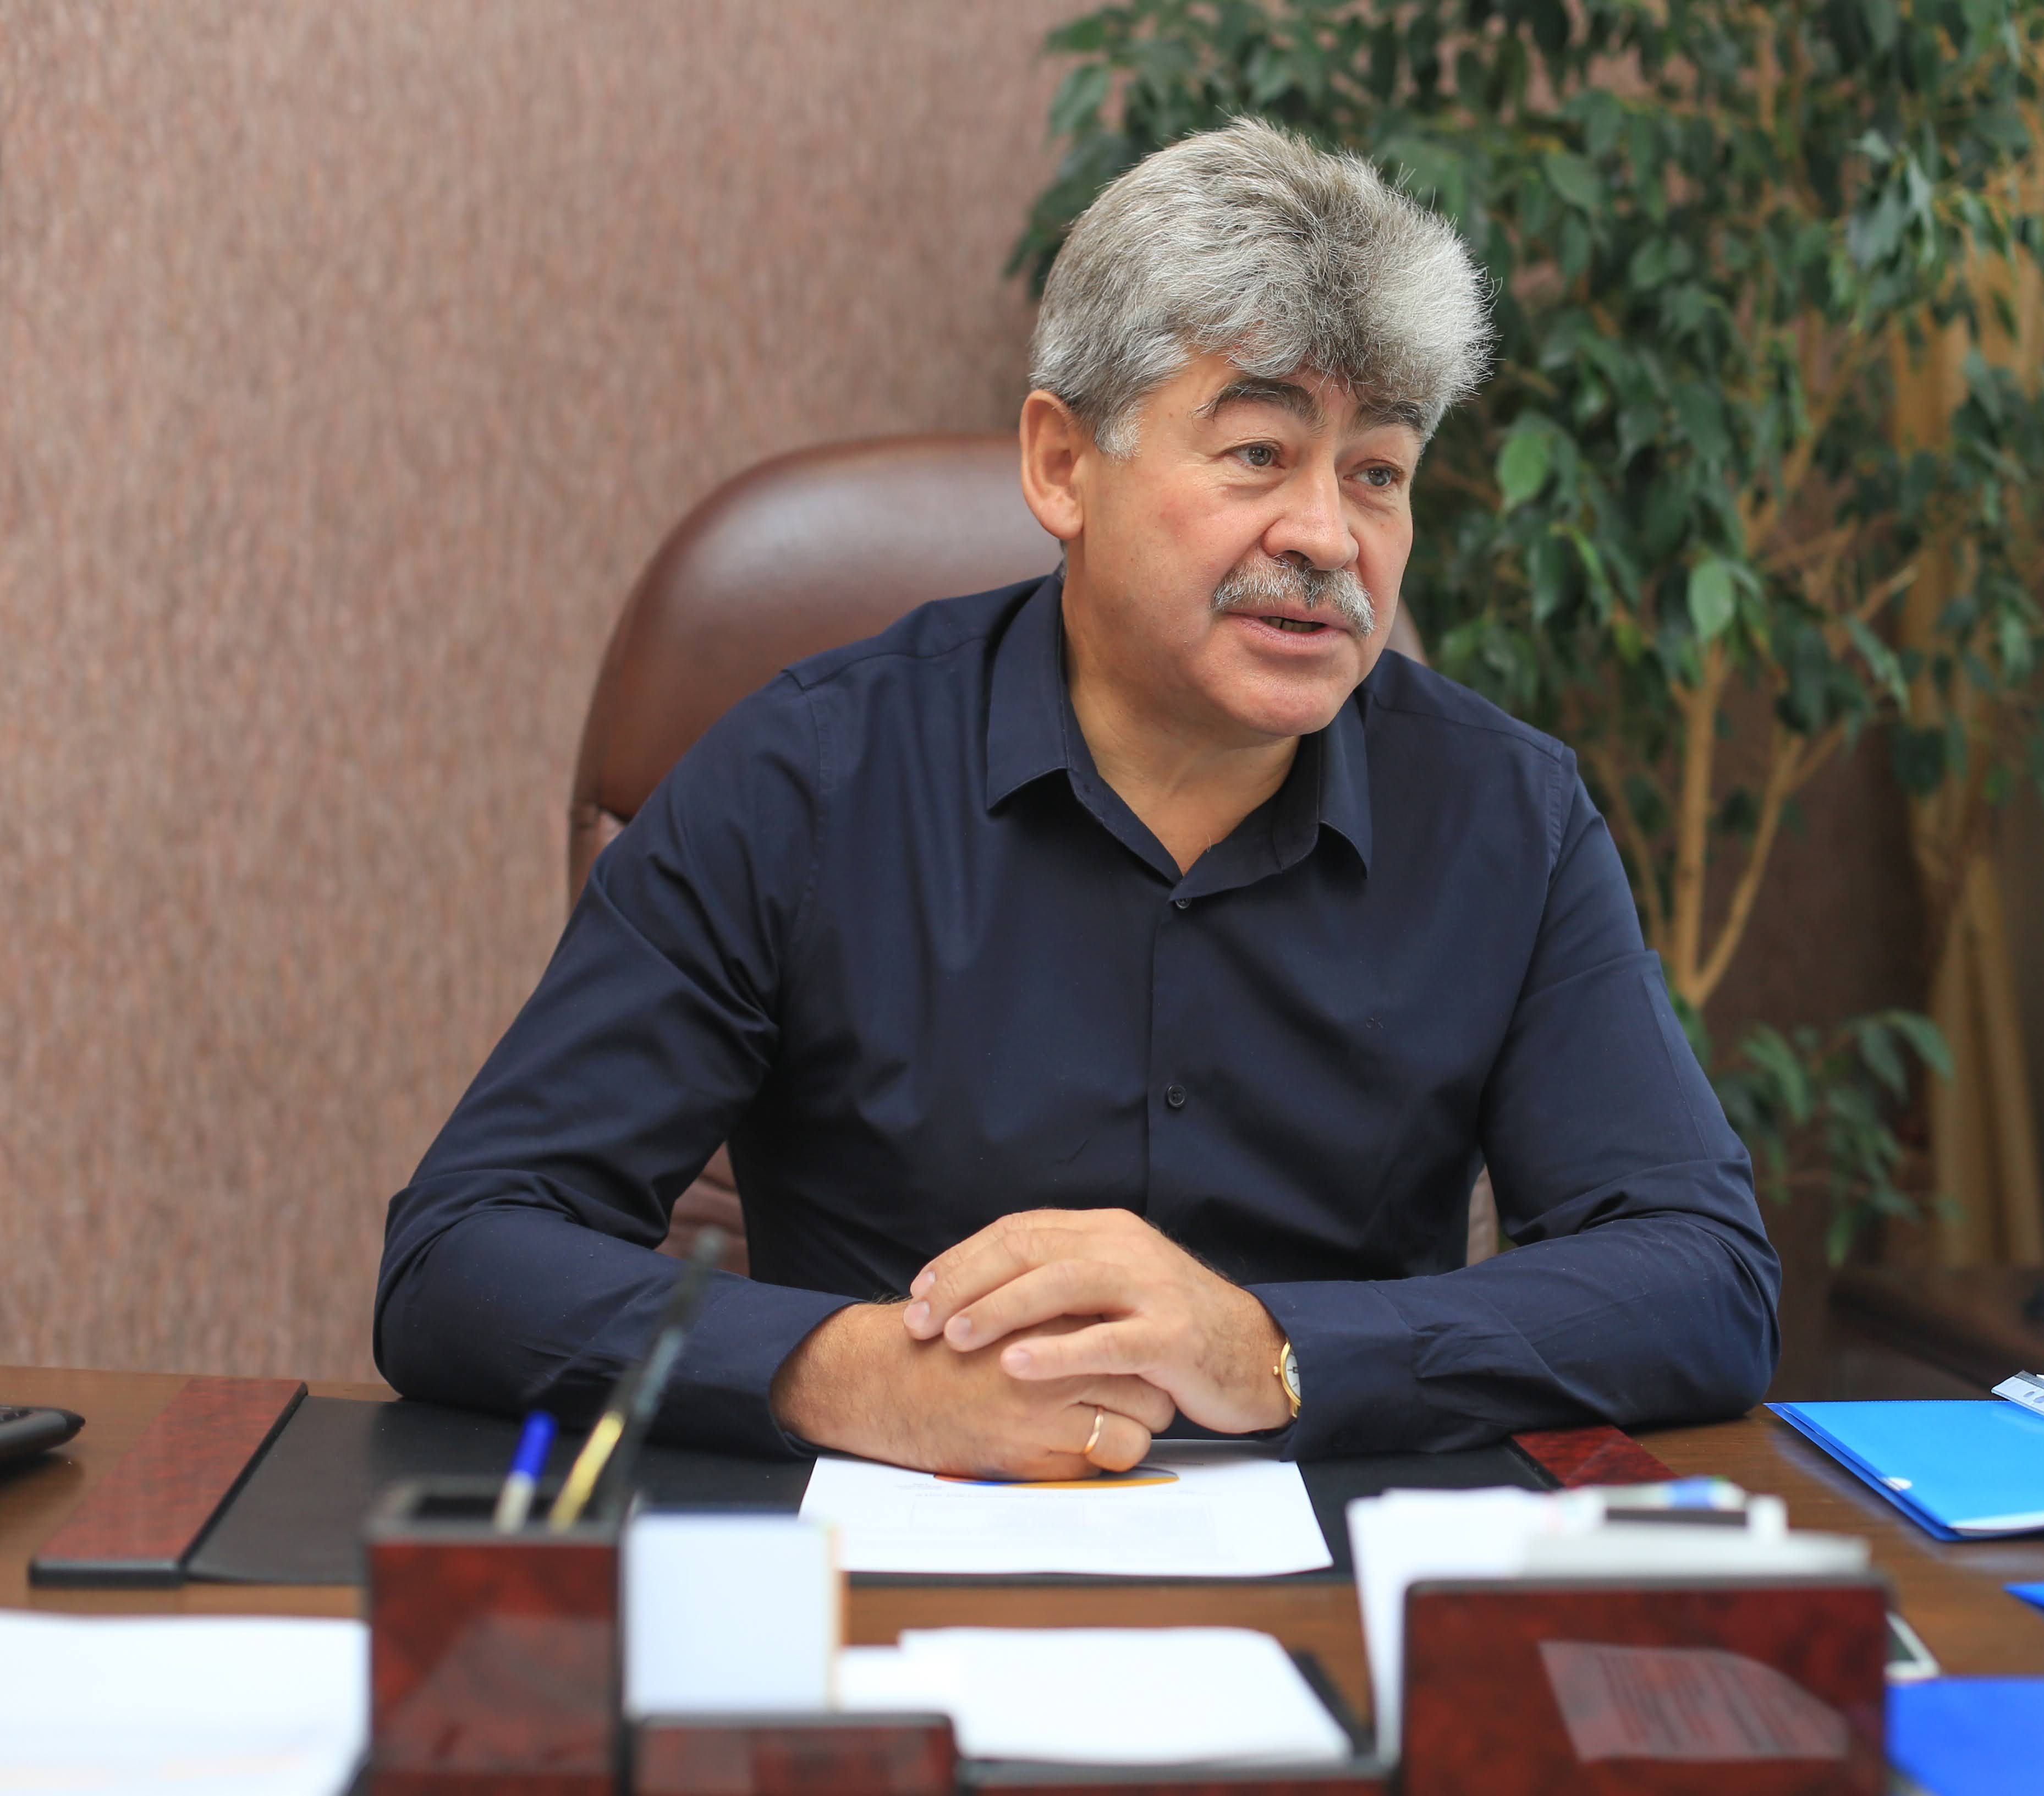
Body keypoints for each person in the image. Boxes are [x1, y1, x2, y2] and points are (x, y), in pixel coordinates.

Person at [375, 119, 1779, 1479]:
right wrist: (844, 1372)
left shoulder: (1504, 816)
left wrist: (1277, 1350)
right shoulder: (804, 778)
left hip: (1341, 1575)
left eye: (1377, 474)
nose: (1325, 536)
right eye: (1257, 453)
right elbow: (461, 1254)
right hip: (898, 1550)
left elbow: (1703, 1276)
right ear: (1062, 466)